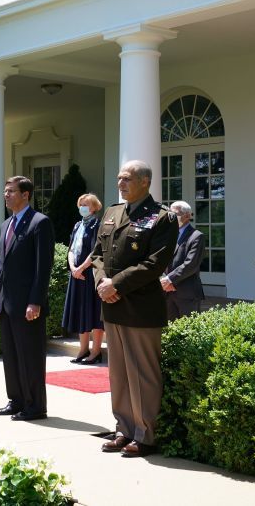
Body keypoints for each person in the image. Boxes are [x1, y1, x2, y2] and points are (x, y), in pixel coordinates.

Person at [92, 160, 177, 457]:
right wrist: (102, 281)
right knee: (118, 373)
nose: (121, 183)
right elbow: (98, 254)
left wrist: (116, 284)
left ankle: (145, 434)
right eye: (119, 178)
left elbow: (155, 263)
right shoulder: (113, 212)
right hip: (112, 305)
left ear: (145, 182)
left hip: (140, 307)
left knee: (143, 374)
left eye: (127, 178)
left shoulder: (162, 217)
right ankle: (123, 428)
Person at [0, 176, 54, 422]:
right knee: (11, 355)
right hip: (7, 303)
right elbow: (1, 268)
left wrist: (35, 301)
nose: (6, 195)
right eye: (5, 191)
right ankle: (16, 400)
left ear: (26, 194)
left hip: (28, 304)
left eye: (11, 191)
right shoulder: (6, 225)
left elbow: (43, 267)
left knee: (30, 357)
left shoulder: (40, 223)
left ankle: (35, 405)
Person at [61, 193, 105, 364]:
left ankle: (96, 352)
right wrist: (73, 267)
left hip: (91, 273)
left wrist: (81, 268)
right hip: (76, 274)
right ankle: (83, 349)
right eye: (81, 204)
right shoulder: (78, 225)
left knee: (94, 312)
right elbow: (71, 249)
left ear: (94, 207)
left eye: (86, 204)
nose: (82, 207)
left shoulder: (97, 225)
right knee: (80, 311)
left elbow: (96, 251)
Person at [161, 200, 205, 321]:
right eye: (169, 214)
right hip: (167, 292)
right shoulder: (167, 235)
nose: (171, 217)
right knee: (169, 331)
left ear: (187, 216)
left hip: (187, 293)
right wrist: (163, 280)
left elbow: (191, 264)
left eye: (174, 214)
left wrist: (170, 279)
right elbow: (158, 259)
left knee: (189, 331)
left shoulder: (196, 236)